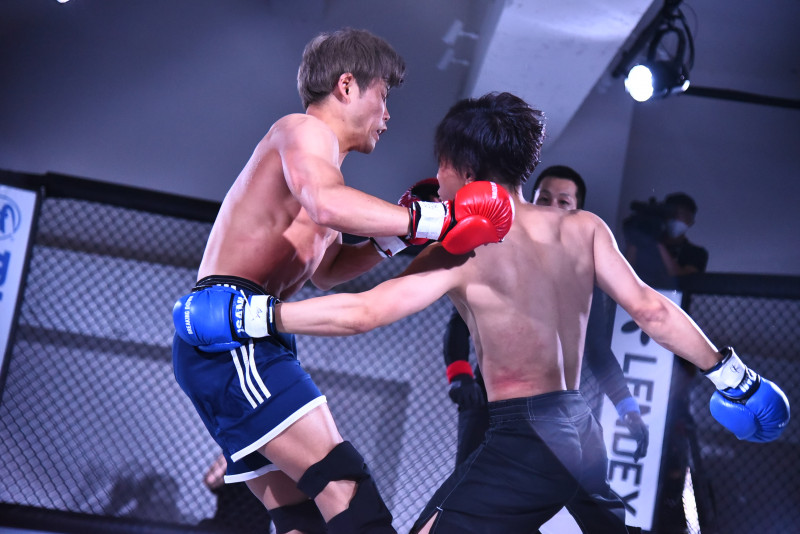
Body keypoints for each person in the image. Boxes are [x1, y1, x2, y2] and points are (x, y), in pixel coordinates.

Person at [182, 90, 790, 533]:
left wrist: (254, 318)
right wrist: (734, 377)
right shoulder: (584, 227)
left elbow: (363, 313)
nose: (436, 177)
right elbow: (652, 312)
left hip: (527, 438)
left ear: (465, 171)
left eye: (442, 165)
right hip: (581, 431)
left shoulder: (465, 247)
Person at [170, 27, 514, 534]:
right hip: (235, 332)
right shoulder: (303, 132)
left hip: (240, 332)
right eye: (384, 95)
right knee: (350, 494)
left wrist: (395, 239)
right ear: (347, 86)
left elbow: (328, 271)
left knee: (301, 519)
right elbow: (328, 205)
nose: (388, 114)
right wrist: (436, 220)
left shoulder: (322, 173)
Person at [443, 165, 649, 468]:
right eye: (544, 198)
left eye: (563, 201)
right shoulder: (497, 252)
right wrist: (459, 376)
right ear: (531, 200)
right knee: (468, 484)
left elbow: (597, 352)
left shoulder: (584, 275)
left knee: (564, 485)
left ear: (576, 212)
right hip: (490, 400)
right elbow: (460, 321)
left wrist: (627, 408)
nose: (552, 207)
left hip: (552, 409)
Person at [622, 192, 708, 289]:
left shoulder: (697, 253)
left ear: (691, 221)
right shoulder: (645, 247)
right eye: (672, 214)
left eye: (681, 214)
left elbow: (680, 277)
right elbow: (624, 274)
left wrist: (658, 242)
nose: (675, 218)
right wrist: (635, 239)